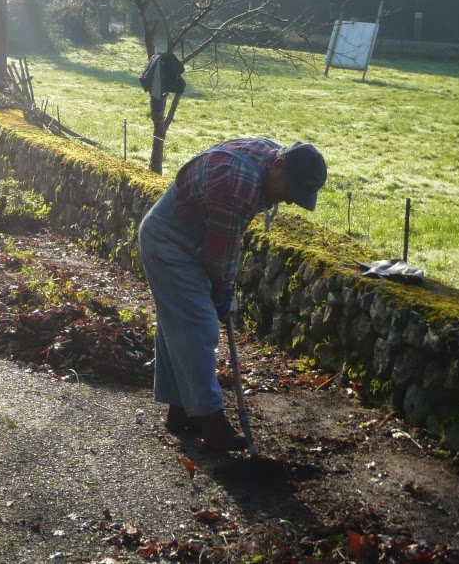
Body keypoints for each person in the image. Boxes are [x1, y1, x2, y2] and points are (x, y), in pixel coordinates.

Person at [138, 138, 327, 451]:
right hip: (169, 241)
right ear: (279, 165)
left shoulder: (268, 156)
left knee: (179, 325)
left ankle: (181, 410)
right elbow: (219, 253)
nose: (289, 201)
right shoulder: (241, 183)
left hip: (192, 237)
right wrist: (223, 288)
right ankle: (210, 420)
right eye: (290, 189)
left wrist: (224, 285)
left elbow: (224, 239)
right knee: (198, 324)